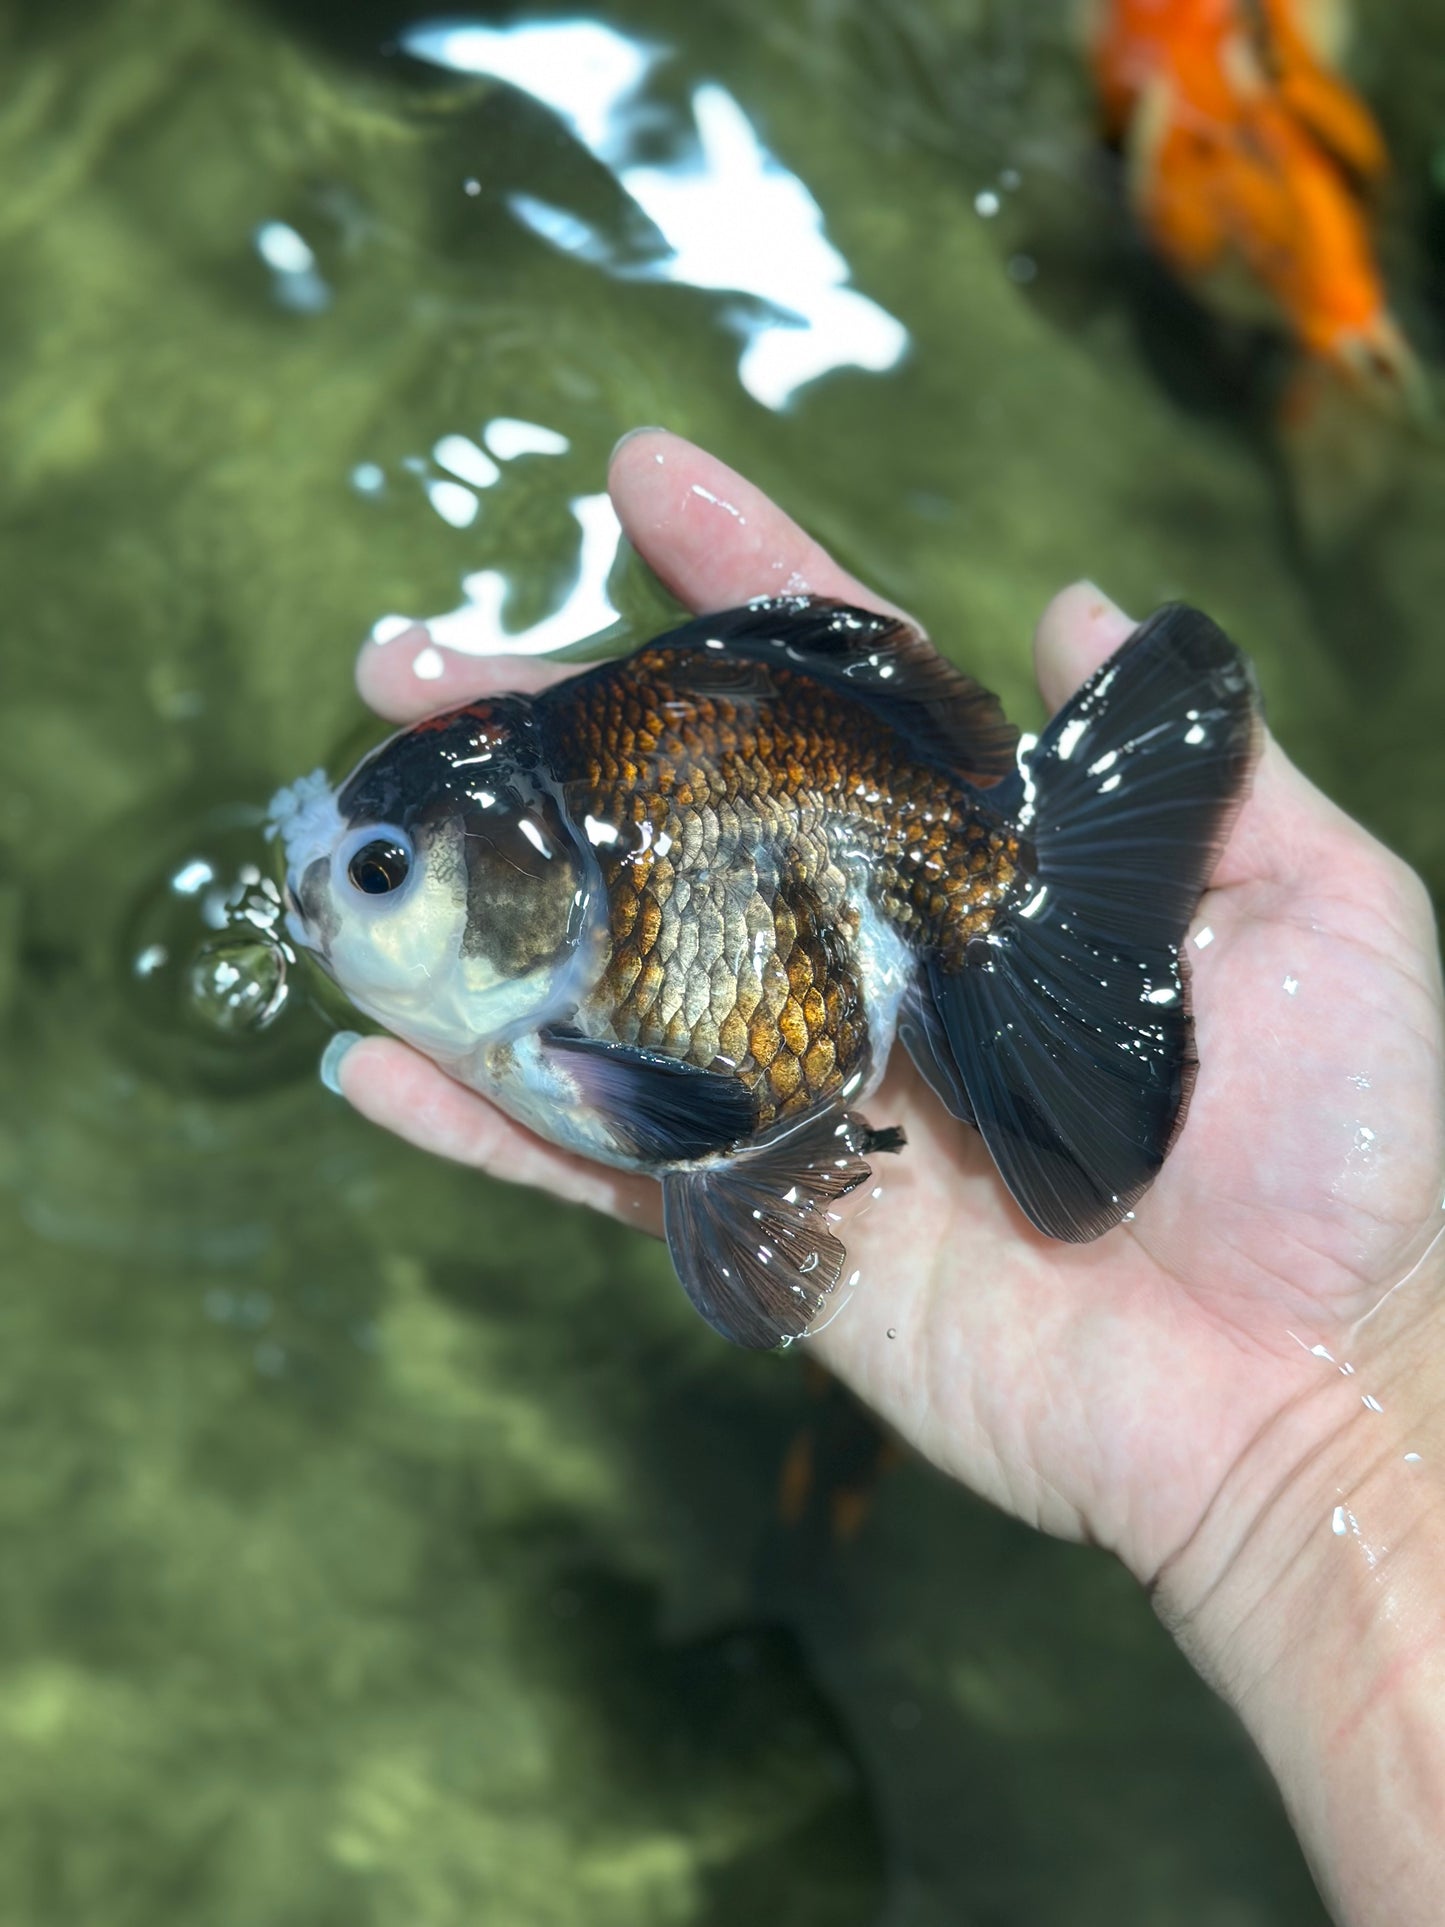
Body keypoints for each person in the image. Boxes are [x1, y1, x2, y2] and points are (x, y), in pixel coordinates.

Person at [326, 430, 1445, 1924]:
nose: (338, 895)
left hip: (874, 873)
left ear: (512, 891)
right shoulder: (555, 967)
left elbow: (672, 1106)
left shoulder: (573, 1022)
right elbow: (698, 1121)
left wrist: (1349, 1405)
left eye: (385, 871)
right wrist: (1343, 1430)